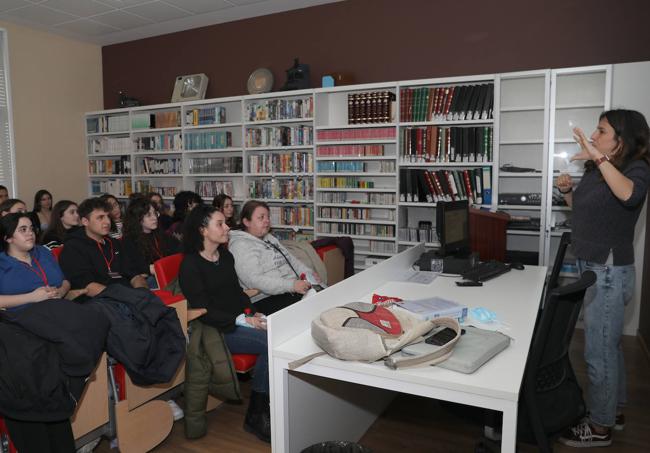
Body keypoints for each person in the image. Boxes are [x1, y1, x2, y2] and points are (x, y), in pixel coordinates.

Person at [556, 110, 650, 448]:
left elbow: (628, 196)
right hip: (592, 265)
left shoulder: (637, 169)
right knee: (608, 347)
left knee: (598, 351)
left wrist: (595, 155)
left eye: (601, 130)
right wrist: (566, 192)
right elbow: (587, 213)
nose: (594, 136)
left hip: (608, 270)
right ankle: (615, 411)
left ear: (621, 139)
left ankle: (599, 426)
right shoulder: (597, 170)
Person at [178, 205, 270, 442]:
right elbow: (204, 310)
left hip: (235, 321)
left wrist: (252, 312)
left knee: (274, 332)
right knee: (271, 343)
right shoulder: (190, 265)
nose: (227, 227)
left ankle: (265, 406)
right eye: (219, 224)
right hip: (214, 329)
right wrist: (242, 319)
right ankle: (256, 415)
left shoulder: (225, 256)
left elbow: (238, 293)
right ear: (203, 231)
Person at [0, 212, 80, 453]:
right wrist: (31, 297)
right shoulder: (2, 264)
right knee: (34, 385)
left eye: (31, 228)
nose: (30, 233)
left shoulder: (43, 253)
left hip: (54, 323)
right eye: (22, 229)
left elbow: (65, 281)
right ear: (7, 238)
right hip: (18, 331)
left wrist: (60, 290)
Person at [228, 200, 320, 315]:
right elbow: (255, 281)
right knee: (315, 309)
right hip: (265, 299)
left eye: (268, 217)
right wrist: (292, 285)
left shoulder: (269, 238)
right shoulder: (240, 245)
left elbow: (291, 260)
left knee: (325, 297)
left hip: (289, 290)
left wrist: (308, 273)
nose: (267, 221)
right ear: (247, 222)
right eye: (261, 217)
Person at [59, 197, 147, 298]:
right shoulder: (73, 248)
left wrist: (142, 292)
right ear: (85, 221)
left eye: (108, 217)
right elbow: (88, 286)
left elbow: (134, 275)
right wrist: (128, 297)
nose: (107, 222)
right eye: (100, 218)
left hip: (128, 295)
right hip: (101, 301)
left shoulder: (114, 243)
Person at [122, 198, 180, 288]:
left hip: (167, 274)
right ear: (138, 218)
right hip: (149, 280)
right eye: (149, 215)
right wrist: (149, 269)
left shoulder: (161, 235)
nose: (154, 218)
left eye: (155, 213)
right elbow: (130, 268)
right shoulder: (129, 240)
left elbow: (179, 251)